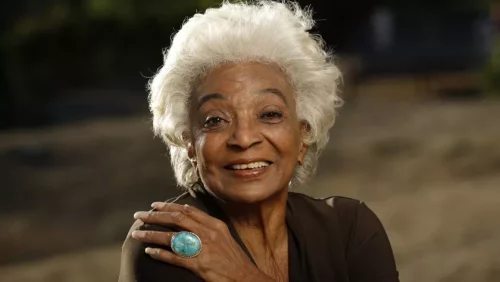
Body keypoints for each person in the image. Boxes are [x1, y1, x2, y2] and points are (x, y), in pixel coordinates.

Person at [119, 1, 399, 281]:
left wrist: (243, 275)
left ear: (303, 135)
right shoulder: (170, 243)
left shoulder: (349, 228)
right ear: (189, 143)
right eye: (215, 120)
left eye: (269, 114)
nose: (244, 138)